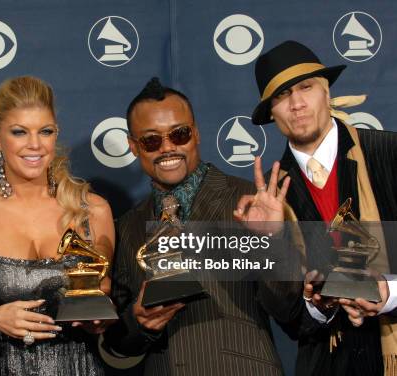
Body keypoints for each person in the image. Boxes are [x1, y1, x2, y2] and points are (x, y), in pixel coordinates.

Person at [101, 77, 301, 375]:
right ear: (134, 146)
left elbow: (290, 310)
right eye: (152, 140)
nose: (168, 148)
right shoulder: (127, 226)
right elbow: (116, 345)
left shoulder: (247, 200)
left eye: (179, 134)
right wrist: (138, 321)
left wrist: (272, 239)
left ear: (195, 134)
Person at [0, 76, 115, 376]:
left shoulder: (93, 210)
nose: (35, 145)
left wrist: (100, 317)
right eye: (19, 132)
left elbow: (103, 301)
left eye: (45, 132)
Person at [250, 40, 397, 376]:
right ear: (271, 113)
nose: (297, 103)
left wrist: (388, 292)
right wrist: (317, 305)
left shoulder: (389, 154)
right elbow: (285, 315)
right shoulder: (270, 198)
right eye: (282, 95)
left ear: (327, 93)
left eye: (306, 87)